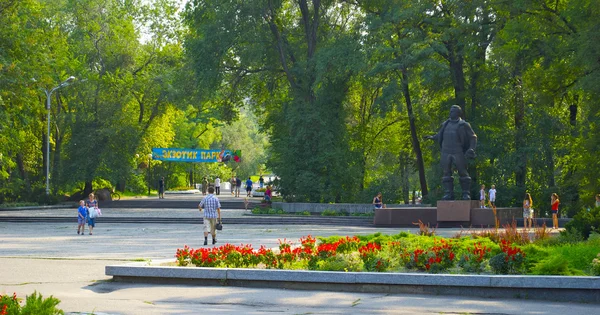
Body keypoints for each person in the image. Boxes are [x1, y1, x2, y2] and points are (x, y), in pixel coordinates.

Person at [425, 105, 477, 200]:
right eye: (450, 111)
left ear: (458, 113)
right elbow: (440, 134)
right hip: (446, 151)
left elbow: (473, 137)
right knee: (446, 173)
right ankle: (448, 193)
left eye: (452, 111)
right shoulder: (446, 124)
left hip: (458, 151)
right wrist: (432, 137)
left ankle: (466, 193)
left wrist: (471, 149)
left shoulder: (463, 124)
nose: (450, 113)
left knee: (463, 172)